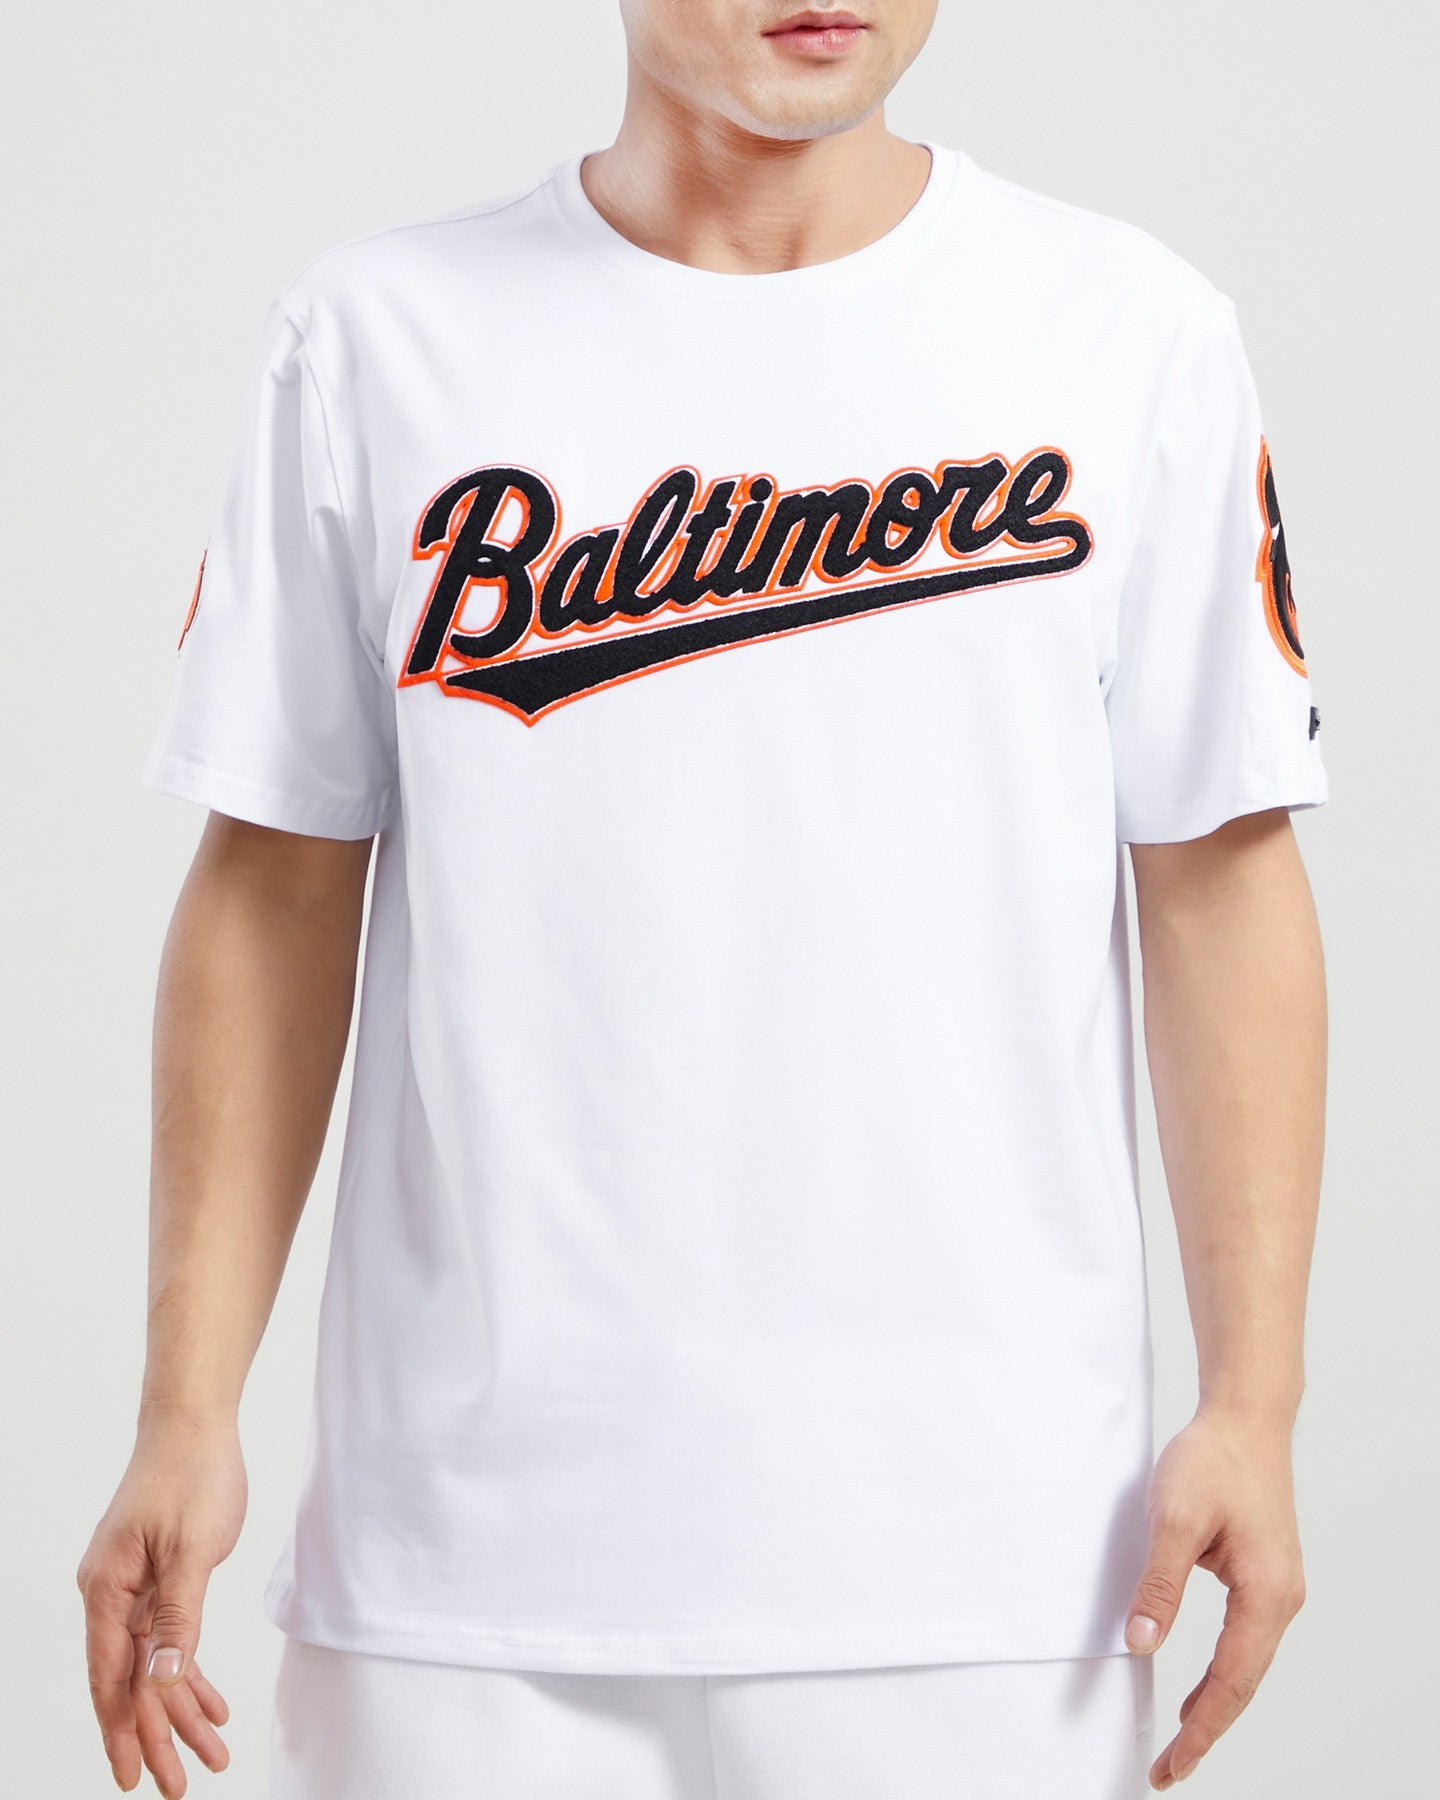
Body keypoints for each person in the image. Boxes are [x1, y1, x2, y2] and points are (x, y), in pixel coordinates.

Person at [75, 2, 1328, 1795]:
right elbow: (274, 884)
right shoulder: (378, 339)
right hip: (466, 1571)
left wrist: (1253, 1404)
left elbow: (1219, 882)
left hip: (990, 1562)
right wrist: (185, 1411)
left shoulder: (1128, 332)